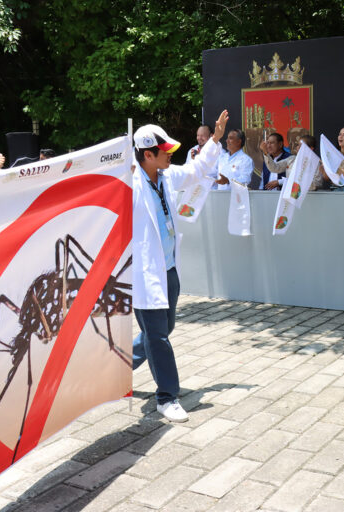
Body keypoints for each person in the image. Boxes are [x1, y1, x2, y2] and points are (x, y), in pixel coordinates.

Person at [132, 110, 228, 422]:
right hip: (145, 274)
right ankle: (167, 397)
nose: (171, 155)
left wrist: (215, 139)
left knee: (162, 329)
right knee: (158, 336)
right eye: (165, 152)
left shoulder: (166, 176)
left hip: (169, 269)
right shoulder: (127, 186)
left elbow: (196, 170)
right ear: (148, 155)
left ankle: (116, 365)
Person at [311, 125, 344, 192]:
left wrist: (333, 169)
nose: (340, 137)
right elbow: (327, 178)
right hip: (334, 190)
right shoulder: (334, 155)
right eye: (340, 134)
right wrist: (325, 170)